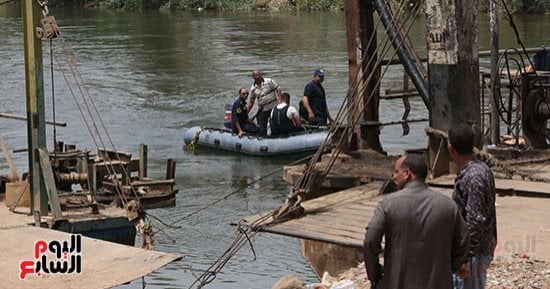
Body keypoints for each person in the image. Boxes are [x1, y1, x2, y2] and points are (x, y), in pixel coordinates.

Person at [364, 153, 470, 289]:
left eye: (397, 172)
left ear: (407, 173)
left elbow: (370, 240)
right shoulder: (448, 205)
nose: (394, 176)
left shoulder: (388, 204)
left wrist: (376, 275)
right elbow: (464, 240)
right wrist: (449, 267)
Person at [447, 123, 497, 289]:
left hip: (473, 251)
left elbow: (475, 220)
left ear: (451, 149)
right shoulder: (483, 169)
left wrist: (464, 258)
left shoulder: (473, 176)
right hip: (481, 245)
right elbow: (490, 208)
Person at [248, 69, 281, 135]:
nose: (257, 77)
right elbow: (251, 102)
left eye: (258, 75)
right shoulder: (253, 89)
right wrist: (246, 112)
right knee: (261, 129)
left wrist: (280, 102)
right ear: (253, 77)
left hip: (273, 107)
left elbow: (278, 90)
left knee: (275, 127)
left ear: (261, 75)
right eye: (255, 76)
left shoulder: (269, 81)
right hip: (263, 109)